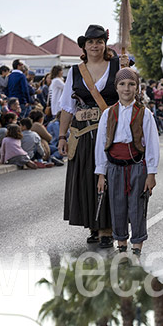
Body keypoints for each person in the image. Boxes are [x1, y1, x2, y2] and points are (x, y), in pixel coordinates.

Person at [58, 25, 121, 247]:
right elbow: (67, 107)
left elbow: (132, 92)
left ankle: (108, 228)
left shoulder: (119, 66)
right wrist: (62, 136)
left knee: (109, 177)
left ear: (105, 44)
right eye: (91, 42)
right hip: (83, 133)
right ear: (84, 46)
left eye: (99, 41)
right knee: (87, 178)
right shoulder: (75, 72)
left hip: (113, 132)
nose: (95, 45)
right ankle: (94, 224)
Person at [95, 67, 159, 255]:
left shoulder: (144, 113)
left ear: (137, 88)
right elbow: (101, 144)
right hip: (115, 167)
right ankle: (121, 242)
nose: (127, 88)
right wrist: (101, 173)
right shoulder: (108, 114)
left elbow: (152, 144)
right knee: (117, 205)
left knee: (137, 206)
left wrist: (151, 173)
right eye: (122, 84)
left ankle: (137, 244)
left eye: (131, 84)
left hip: (137, 166)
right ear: (116, 87)